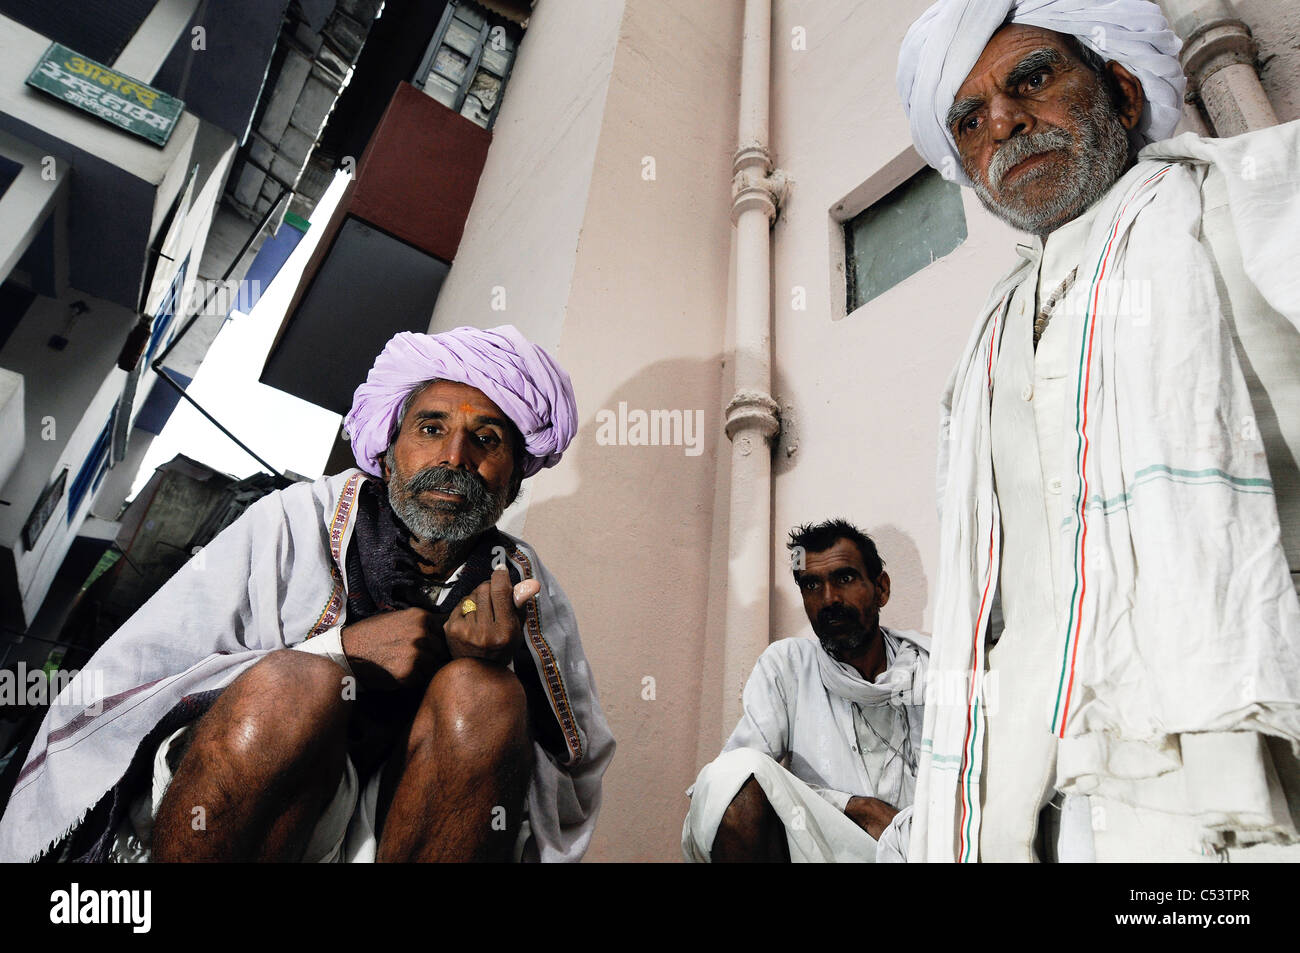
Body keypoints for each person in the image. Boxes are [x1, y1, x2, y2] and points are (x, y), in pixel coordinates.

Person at [897, 0, 1300, 862]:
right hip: (1039, 796)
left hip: (1241, 740)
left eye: (1032, 78)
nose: (1003, 121)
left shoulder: (1246, 197)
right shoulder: (984, 346)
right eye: (969, 119)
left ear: (1120, 87)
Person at [0, 325, 615, 863]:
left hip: (401, 830)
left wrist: (483, 667)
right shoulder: (298, 519)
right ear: (389, 452)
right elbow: (136, 672)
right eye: (432, 428)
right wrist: (338, 651)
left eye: (487, 439)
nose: (454, 457)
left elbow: (575, 773)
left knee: (486, 699)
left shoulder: (522, 582)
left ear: (511, 480)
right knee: (296, 685)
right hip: (237, 816)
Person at [682, 520, 928, 862]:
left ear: (881, 588)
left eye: (844, 578)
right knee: (731, 777)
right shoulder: (787, 666)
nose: (829, 599)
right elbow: (736, 781)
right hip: (824, 848)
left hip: (925, 847)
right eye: (812, 584)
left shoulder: (930, 668)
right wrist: (854, 807)